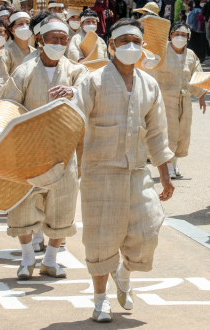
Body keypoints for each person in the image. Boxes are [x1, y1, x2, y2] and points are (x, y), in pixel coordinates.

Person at [72, 18, 174, 323]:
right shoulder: (92, 81)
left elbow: (157, 132)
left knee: (148, 231)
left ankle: (125, 271)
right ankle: (100, 300)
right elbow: (73, 122)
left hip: (137, 171)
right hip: (99, 172)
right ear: (112, 45)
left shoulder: (149, 83)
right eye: (124, 40)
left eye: (136, 41)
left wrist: (165, 175)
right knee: (102, 238)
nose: (130, 46)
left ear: (143, 46)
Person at [0, 14, 89, 280]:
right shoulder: (25, 71)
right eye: (53, 38)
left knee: (62, 205)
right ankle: (27, 257)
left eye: (63, 39)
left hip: (64, 150)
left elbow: (91, 94)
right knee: (23, 203)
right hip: (29, 148)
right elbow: (8, 106)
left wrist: (74, 93)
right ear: (40, 40)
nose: (59, 43)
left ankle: (50, 259)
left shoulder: (76, 71)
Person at [148, 22, 207, 178]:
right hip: (165, 98)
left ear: (188, 38)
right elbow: (148, 69)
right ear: (170, 35)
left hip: (185, 99)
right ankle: (168, 166)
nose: (179, 37)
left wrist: (201, 95)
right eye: (176, 34)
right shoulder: (160, 51)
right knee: (169, 133)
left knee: (182, 133)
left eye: (183, 35)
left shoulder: (191, 55)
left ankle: (174, 163)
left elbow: (197, 76)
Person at [0, 10, 37, 100]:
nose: (25, 26)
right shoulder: (4, 54)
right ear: (11, 29)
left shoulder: (35, 53)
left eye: (28, 23)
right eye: (20, 24)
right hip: (13, 103)